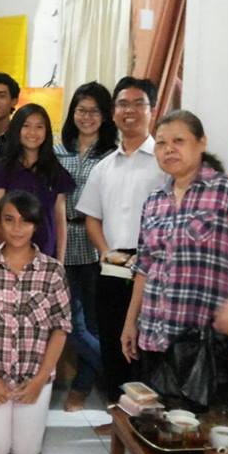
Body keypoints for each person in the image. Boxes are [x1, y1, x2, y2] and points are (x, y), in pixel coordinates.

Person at [121, 110, 228, 390]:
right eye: (161, 143)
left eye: (179, 141)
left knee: (193, 418)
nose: (168, 149)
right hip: (153, 336)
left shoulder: (227, 192)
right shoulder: (155, 201)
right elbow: (144, 266)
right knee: (151, 413)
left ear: (201, 143)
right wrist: (130, 322)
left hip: (202, 345)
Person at [75, 76, 166, 403]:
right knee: (112, 340)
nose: (130, 111)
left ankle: (147, 417)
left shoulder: (164, 162)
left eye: (138, 104)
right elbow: (92, 217)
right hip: (113, 266)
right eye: (123, 104)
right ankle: (117, 414)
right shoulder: (104, 167)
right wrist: (104, 252)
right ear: (113, 113)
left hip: (155, 270)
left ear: (152, 110)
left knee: (147, 346)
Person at [0, 190, 72, 454]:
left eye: (25, 221)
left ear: (36, 225)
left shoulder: (53, 271)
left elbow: (61, 328)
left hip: (34, 374)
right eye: (9, 219)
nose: (17, 228)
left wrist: (40, 379)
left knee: (26, 452)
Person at [54, 82, 117, 411]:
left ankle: (82, 387)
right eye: (81, 110)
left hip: (96, 242)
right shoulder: (58, 149)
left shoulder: (112, 154)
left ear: (105, 116)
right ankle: (120, 375)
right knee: (69, 323)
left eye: (94, 111)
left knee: (93, 322)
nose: (87, 117)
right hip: (62, 241)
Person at [0, 103, 75, 263]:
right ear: (17, 130)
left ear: (46, 131)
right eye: (26, 126)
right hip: (10, 260)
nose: (32, 132)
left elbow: (59, 220)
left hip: (47, 259)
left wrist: (60, 263)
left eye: (39, 127)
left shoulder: (55, 171)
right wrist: (11, 256)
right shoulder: (2, 170)